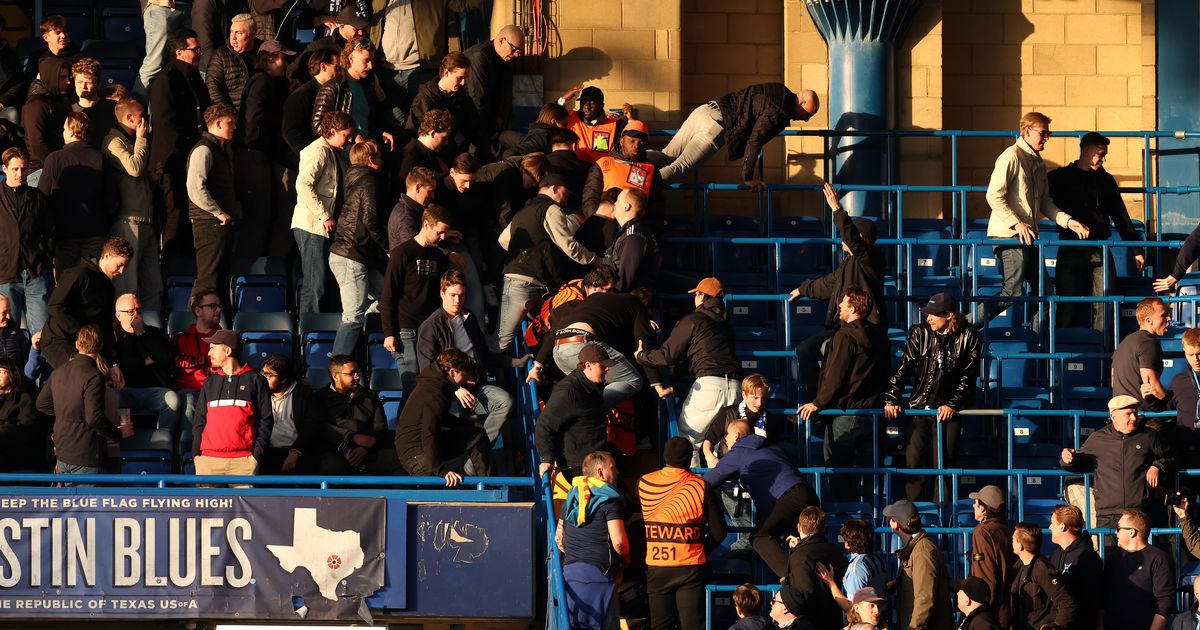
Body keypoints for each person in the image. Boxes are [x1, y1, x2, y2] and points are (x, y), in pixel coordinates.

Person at [981, 112, 1090, 328]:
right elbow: (993, 195)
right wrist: (1017, 223)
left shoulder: (1037, 162)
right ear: (1026, 131)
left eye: (1049, 133)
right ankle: (962, 327)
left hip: (1027, 236)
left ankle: (1037, 345)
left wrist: (1068, 221)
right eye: (1043, 132)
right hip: (1010, 235)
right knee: (1012, 291)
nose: (1047, 137)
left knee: (1045, 295)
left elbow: (1045, 202)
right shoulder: (1011, 156)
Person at [789, 183, 888, 401]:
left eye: (849, 234)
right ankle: (818, 397)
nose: (843, 238)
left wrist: (836, 208)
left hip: (864, 328)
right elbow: (827, 284)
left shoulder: (869, 259)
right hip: (843, 326)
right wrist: (802, 289)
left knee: (833, 358)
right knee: (804, 350)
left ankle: (823, 401)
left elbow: (853, 239)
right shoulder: (848, 264)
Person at [884, 292, 982, 501]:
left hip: (950, 412)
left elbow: (968, 376)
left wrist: (951, 404)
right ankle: (914, 517)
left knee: (944, 467)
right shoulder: (920, 332)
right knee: (914, 465)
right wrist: (891, 398)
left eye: (933, 314)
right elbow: (903, 368)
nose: (927, 318)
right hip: (919, 407)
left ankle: (944, 516)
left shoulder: (969, 335)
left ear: (949, 315)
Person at [797, 287, 890, 498]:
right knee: (872, 475)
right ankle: (870, 517)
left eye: (844, 302)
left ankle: (847, 520)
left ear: (854, 308)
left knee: (838, 471)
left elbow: (835, 374)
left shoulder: (844, 336)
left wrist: (818, 402)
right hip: (874, 414)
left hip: (846, 414)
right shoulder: (881, 337)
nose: (838, 305)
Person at [1048, 131, 1145, 330]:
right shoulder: (1059, 178)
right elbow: (1036, 199)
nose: (1103, 158)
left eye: (1104, 154)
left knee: (1105, 303)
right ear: (1086, 151)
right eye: (1100, 153)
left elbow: (1120, 216)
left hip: (1100, 246)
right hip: (1070, 246)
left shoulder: (1106, 180)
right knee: (1067, 304)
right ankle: (1061, 351)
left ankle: (1101, 351)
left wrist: (1136, 248)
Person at [636, 277, 741, 455]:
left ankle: (691, 483)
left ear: (701, 296)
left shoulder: (693, 319)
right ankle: (721, 483)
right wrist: (675, 371)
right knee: (721, 447)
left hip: (709, 387)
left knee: (687, 443)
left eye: (696, 294)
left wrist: (641, 356)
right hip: (736, 388)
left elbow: (666, 355)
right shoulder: (726, 325)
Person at [704, 419, 819, 580]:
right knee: (801, 543)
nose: (726, 441)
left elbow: (707, 482)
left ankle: (793, 577)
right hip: (808, 494)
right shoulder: (770, 446)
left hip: (787, 497)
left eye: (726, 437)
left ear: (736, 435)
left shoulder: (739, 450)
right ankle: (814, 577)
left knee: (759, 537)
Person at [645, 83, 819, 188]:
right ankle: (638, 184)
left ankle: (627, 160)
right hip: (715, 127)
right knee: (679, 169)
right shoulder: (781, 112)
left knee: (667, 155)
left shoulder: (779, 89)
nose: (805, 120)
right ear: (802, 101)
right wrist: (748, 177)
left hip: (704, 110)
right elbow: (756, 139)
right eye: (808, 114)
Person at [496, 173, 596, 351]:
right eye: (564, 194)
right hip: (532, 282)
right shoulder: (551, 209)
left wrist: (525, 249)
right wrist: (596, 260)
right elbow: (569, 246)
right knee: (503, 340)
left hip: (519, 280)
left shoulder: (523, 210)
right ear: (554, 189)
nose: (565, 201)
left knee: (507, 337)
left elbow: (503, 240)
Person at [415, 270, 517, 445]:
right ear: (442, 294)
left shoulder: (469, 318)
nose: (457, 300)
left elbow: (484, 353)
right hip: (448, 393)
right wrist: (454, 388)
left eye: (461, 295)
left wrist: (514, 362)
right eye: (452, 295)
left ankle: (479, 448)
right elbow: (427, 370)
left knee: (505, 401)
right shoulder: (430, 327)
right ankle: (465, 458)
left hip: (475, 387)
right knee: (454, 424)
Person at [639, 437, 727, 630]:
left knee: (661, 626)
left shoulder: (644, 483)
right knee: (693, 625)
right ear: (689, 460)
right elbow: (720, 533)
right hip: (690, 565)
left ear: (665, 457)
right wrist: (700, 548)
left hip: (657, 564)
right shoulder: (701, 486)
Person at [530, 284, 655, 409]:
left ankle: (561, 413)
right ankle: (587, 413)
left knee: (586, 391)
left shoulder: (592, 303)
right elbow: (644, 345)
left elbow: (555, 332)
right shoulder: (636, 304)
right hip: (580, 346)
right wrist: (657, 382)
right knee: (632, 380)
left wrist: (537, 366)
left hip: (559, 352)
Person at [1061, 395, 1173, 528]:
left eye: (1135, 413)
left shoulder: (1149, 436)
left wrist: (1157, 466)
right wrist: (1067, 458)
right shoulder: (1098, 439)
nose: (1134, 417)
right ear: (1114, 417)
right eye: (1128, 414)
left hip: (1139, 513)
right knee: (1109, 549)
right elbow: (1077, 464)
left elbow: (1171, 457)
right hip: (1108, 515)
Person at [37, 325, 133, 480]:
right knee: (89, 504)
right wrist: (119, 433)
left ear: (76, 344)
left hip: (62, 453)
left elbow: (42, 404)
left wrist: (65, 414)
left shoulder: (59, 371)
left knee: (66, 505)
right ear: (101, 346)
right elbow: (94, 418)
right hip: (86, 456)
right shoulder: (94, 376)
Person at [149, 29, 211, 256]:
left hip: (195, 158)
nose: (199, 53)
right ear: (179, 52)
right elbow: (166, 125)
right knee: (176, 210)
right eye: (195, 49)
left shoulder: (195, 77)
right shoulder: (165, 80)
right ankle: (172, 265)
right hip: (174, 160)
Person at [380, 205, 454, 390]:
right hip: (407, 331)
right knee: (412, 388)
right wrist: (389, 333)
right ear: (426, 225)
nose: (443, 237)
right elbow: (388, 294)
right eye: (440, 232)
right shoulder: (402, 253)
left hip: (430, 329)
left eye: (446, 233)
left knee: (430, 386)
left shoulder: (438, 255)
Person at [234, 39, 294, 267]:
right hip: (253, 154)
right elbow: (254, 118)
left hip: (255, 153)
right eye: (283, 58)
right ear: (270, 59)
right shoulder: (261, 81)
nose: (286, 63)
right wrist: (256, 145)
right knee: (257, 216)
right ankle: (245, 272)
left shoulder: (266, 82)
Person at [394, 348, 492, 484]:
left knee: (477, 434)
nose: (467, 379)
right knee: (448, 486)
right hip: (415, 454)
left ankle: (487, 485)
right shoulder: (434, 392)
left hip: (423, 446)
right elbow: (429, 434)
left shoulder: (437, 384)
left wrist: (468, 424)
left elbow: (441, 418)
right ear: (452, 372)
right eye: (465, 374)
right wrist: (440, 470)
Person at [329, 140, 389, 356]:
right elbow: (370, 220)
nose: (383, 162)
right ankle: (337, 371)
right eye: (380, 157)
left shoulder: (354, 178)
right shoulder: (370, 181)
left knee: (389, 298)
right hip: (352, 256)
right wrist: (388, 247)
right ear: (372, 161)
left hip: (356, 255)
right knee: (353, 316)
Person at [557, 450, 628, 630]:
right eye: (613, 467)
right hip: (599, 578)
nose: (618, 472)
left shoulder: (571, 499)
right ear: (601, 473)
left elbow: (559, 539)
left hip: (571, 575)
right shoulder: (609, 501)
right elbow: (619, 542)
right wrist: (626, 558)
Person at [293, 111, 356, 314]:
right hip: (313, 227)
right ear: (332, 131)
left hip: (320, 228)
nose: (349, 140)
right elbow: (303, 185)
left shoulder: (330, 152)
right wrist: (324, 216)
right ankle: (309, 335)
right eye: (346, 135)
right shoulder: (318, 151)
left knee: (321, 283)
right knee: (315, 284)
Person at [193, 329, 273, 484]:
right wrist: (197, 455)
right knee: (207, 509)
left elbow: (266, 420)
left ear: (227, 350)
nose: (209, 353)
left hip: (244, 463)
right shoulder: (209, 383)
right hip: (208, 462)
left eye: (213, 348)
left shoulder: (256, 380)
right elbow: (199, 421)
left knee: (245, 509)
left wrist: (255, 456)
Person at [41, 237, 132, 372]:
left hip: (87, 345)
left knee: (104, 376)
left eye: (125, 266)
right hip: (59, 341)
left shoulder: (109, 288)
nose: (122, 271)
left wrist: (113, 363)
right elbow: (55, 306)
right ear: (106, 256)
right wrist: (80, 332)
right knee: (82, 373)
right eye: (119, 265)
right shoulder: (79, 274)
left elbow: (105, 327)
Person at [106, 97, 162, 312]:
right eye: (141, 116)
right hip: (128, 223)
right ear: (129, 118)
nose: (145, 121)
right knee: (128, 286)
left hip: (145, 222)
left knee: (153, 287)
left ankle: (151, 333)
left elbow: (137, 176)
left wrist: (151, 177)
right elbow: (134, 168)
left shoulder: (130, 142)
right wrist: (142, 139)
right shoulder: (113, 142)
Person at [40, 111, 109, 277]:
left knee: (66, 286)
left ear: (71, 131)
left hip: (64, 234)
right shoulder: (101, 158)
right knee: (91, 284)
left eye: (64, 128)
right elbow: (111, 198)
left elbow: (42, 196)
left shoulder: (55, 159)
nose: (62, 132)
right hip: (95, 232)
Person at [534, 343, 612, 480]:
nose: (607, 368)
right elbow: (544, 425)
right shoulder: (569, 391)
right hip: (579, 466)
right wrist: (547, 459)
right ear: (588, 365)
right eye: (602, 365)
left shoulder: (594, 384)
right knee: (614, 499)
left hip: (597, 459)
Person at [188, 102, 239, 307]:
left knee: (218, 281)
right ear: (218, 123)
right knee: (207, 281)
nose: (234, 127)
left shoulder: (219, 149)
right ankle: (194, 328)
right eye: (230, 123)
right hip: (208, 223)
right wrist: (218, 212)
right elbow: (194, 187)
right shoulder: (204, 149)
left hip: (217, 223)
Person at [0, 147, 53, 337]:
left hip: (34, 272)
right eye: (15, 169)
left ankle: (39, 367)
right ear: (4, 168)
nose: (20, 174)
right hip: (5, 274)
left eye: (23, 169)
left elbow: (49, 232)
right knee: (7, 335)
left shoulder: (37, 197)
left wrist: (45, 259)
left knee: (42, 333)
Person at [315, 355, 399, 475]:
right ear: (335, 376)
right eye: (351, 373)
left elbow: (380, 427)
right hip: (334, 453)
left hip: (368, 452)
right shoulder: (319, 398)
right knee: (330, 467)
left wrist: (364, 449)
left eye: (357, 372)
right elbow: (320, 428)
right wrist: (351, 437)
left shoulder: (369, 396)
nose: (357, 377)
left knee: (398, 460)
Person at [311, 37, 396, 152]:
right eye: (366, 61)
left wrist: (381, 133)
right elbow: (318, 126)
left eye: (371, 61)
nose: (370, 66)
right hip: (344, 155)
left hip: (366, 150)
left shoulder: (367, 85)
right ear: (350, 59)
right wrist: (352, 136)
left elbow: (367, 122)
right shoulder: (333, 88)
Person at [112, 294, 180, 433]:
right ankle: (123, 438)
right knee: (112, 399)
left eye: (139, 310)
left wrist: (141, 334)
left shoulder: (154, 333)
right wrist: (146, 361)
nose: (136, 314)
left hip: (154, 389)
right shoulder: (113, 336)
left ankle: (164, 438)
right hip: (125, 391)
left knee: (172, 400)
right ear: (119, 315)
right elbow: (124, 365)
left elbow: (166, 358)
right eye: (131, 311)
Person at [582, 120, 666, 226]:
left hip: (635, 226)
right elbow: (590, 199)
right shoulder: (603, 164)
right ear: (622, 142)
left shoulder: (652, 170)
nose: (636, 145)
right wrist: (599, 224)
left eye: (641, 142)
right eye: (632, 141)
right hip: (604, 223)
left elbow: (656, 206)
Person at [885, 500, 953, 630]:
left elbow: (925, 599)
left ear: (895, 525)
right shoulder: (917, 548)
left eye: (891, 519)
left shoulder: (922, 552)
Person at [1103, 508, 1174, 630]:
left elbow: (1165, 602)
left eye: (1119, 528)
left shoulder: (1158, 558)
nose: (1116, 532)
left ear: (1132, 532)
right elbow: (1102, 598)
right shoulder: (1113, 558)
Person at [405, 53, 484, 156]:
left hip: (454, 152)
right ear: (446, 73)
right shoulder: (424, 99)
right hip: (430, 154)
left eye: (465, 78)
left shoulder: (462, 96)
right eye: (460, 78)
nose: (463, 83)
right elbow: (413, 132)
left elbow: (472, 127)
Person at [702, 373, 788, 467]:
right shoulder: (727, 413)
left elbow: (773, 449)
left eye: (763, 398)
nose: (759, 403)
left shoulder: (770, 419)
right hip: (728, 470)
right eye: (755, 398)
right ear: (744, 395)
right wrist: (710, 457)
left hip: (757, 469)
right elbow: (709, 440)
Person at [784, 506, 846, 630]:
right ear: (823, 528)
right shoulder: (836, 551)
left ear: (798, 527)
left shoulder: (799, 555)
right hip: (834, 620)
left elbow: (803, 595)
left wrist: (798, 550)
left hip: (810, 624)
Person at [462, 25, 523, 147]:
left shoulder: (504, 59)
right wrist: (489, 129)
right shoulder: (479, 57)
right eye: (515, 49)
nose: (517, 54)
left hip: (489, 122)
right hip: (471, 123)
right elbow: (477, 98)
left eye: (520, 51)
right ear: (502, 41)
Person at [258, 354, 320, 475]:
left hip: (296, 452)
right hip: (266, 452)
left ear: (283, 379)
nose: (264, 378)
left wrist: (295, 452)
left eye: (269, 375)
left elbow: (311, 427)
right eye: (263, 373)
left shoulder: (305, 396)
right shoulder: (258, 394)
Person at [1009, 522, 1075, 630]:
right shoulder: (1020, 567)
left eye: (1013, 540)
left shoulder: (1041, 569)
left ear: (1021, 546)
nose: (1011, 542)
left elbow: (1066, 601)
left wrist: (1056, 626)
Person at [1047, 504, 1101, 630]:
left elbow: (1092, 601)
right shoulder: (1055, 555)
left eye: (1052, 523)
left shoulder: (1088, 557)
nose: (1049, 527)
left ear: (1062, 526)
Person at [968, 485, 1015, 628]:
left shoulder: (982, 531)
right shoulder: (1009, 529)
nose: (973, 506)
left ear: (983, 508)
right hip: (1009, 607)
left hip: (992, 613)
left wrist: (983, 610)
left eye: (976, 503)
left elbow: (985, 575)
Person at [173, 290, 223, 424]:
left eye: (219, 306)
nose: (218, 310)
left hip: (212, 392)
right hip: (183, 392)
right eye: (213, 306)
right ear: (198, 311)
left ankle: (187, 443)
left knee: (190, 403)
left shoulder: (223, 339)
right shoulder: (181, 339)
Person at [282, 49, 338, 166]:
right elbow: (291, 132)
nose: (340, 73)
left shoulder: (333, 92)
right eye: (337, 67)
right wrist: (312, 156)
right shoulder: (301, 95)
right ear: (323, 66)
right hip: (307, 162)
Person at [1112, 296, 1170, 407]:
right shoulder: (1148, 343)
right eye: (1163, 315)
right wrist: (1175, 404)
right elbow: (1154, 389)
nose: (1169, 319)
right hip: (1140, 415)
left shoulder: (1124, 342)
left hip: (1123, 413)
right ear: (1148, 321)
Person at [602, 188, 659, 291]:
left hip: (628, 301)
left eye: (618, 200)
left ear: (626, 206)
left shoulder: (633, 237)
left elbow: (623, 283)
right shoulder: (630, 232)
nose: (614, 203)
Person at [555, 85, 629, 163]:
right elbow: (550, 117)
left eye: (592, 103)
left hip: (600, 171)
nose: (587, 106)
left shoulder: (616, 124)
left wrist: (630, 119)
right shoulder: (569, 117)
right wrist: (563, 99)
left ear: (602, 105)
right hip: (573, 169)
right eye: (583, 102)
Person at [205, 13, 258, 111]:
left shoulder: (263, 52)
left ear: (253, 34)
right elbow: (213, 88)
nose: (232, 38)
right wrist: (230, 115)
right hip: (234, 118)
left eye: (238, 33)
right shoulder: (221, 54)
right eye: (231, 32)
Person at [135, 0, 188, 96]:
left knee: (184, 61)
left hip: (188, 6)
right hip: (161, 6)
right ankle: (135, 108)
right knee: (155, 63)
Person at [0, 357, 40, 472]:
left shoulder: (23, 398)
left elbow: (26, 428)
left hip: (13, 460)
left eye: (2, 372)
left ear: (12, 375)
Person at [1168, 328, 1200, 468]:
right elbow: (1163, 408)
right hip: (1188, 449)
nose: (1195, 359)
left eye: (1199, 354)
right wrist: (1148, 398)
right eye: (1190, 354)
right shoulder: (1178, 381)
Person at [69, 58, 116, 148]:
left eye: (88, 82)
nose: (83, 86)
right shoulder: (69, 111)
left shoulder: (113, 108)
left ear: (98, 84)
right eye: (79, 82)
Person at [389, 165, 438, 249]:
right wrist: (446, 253)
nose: (433, 196)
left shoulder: (410, 209)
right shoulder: (406, 218)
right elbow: (417, 250)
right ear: (418, 187)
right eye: (430, 191)